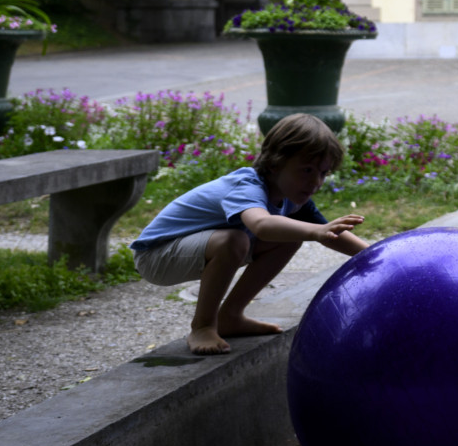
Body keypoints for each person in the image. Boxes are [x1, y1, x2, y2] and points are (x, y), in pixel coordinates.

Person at [130, 113, 369, 354]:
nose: (316, 181)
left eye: (323, 173)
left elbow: (331, 234)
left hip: (190, 250)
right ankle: (202, 326)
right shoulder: (247, 185)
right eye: (307, 170)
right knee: (234, 240)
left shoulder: (292, 197)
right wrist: (318, 231)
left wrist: (377, 255)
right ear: (276, 163)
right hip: (156, 255)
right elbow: (262, 225)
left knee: (292, 235)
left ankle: (230, 317)